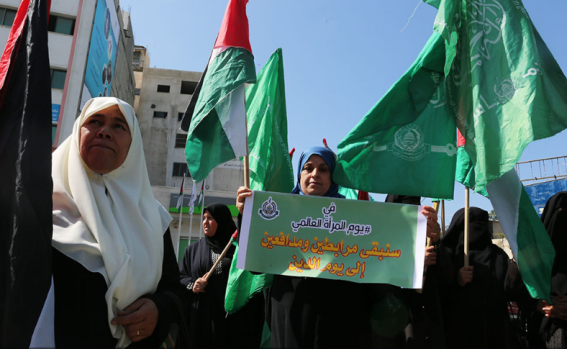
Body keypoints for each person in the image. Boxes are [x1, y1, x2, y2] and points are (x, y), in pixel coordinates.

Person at [236, 146, 440, 348]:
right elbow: (256, 263)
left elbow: (386, 252)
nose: (315, 174)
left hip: (341, 322)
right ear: (299, 174)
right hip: (291, 319)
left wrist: (421, 231)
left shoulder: (358, 217)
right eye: (308, 167)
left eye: (323, 169)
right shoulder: (278, 213)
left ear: (333, 177)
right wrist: (247, 215)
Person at [52, 97, 184, 347]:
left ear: (132, 145)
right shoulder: (39, 200)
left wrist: (158, 309)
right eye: (95, 121)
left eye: (119, 126)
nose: (104, 132)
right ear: (78, 130)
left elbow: (174, 292)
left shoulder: (153, 218)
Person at [179, 203, 264, 348]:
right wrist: (193, 285)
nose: (205, 222)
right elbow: (180, 277)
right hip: (202, 319)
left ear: (222, 220)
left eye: (210, 218)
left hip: (233, 320)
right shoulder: (193, 249)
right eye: (204, 218)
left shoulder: (239, 249)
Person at [438, 207, 512, 348]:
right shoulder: (445, 256)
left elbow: (508, 288)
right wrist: (456, 280)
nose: (479, 229)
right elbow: (435, 292)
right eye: (473, 223)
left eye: (482, 224)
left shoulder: (498, 256)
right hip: (456, 333)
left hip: (493, 333)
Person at [539, 191, 567, 348]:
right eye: (561, 212)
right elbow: (513, 289)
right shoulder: (533, 257)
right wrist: (539, 305)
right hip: (543, 333)